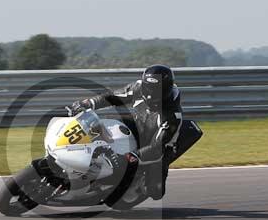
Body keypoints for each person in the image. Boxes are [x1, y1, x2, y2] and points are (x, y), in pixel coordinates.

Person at [67, 64, 182, 200]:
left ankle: (135, 182)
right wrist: (88, 103)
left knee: (155, 191)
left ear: (166, 90)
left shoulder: (172, 116)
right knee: (105, 123)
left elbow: (156, 147)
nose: (150, 94)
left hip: (158, 146)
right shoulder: (138, 87)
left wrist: (130, 156)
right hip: (138, 124)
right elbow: (113, 97)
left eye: (156, 91)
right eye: (148, 88)